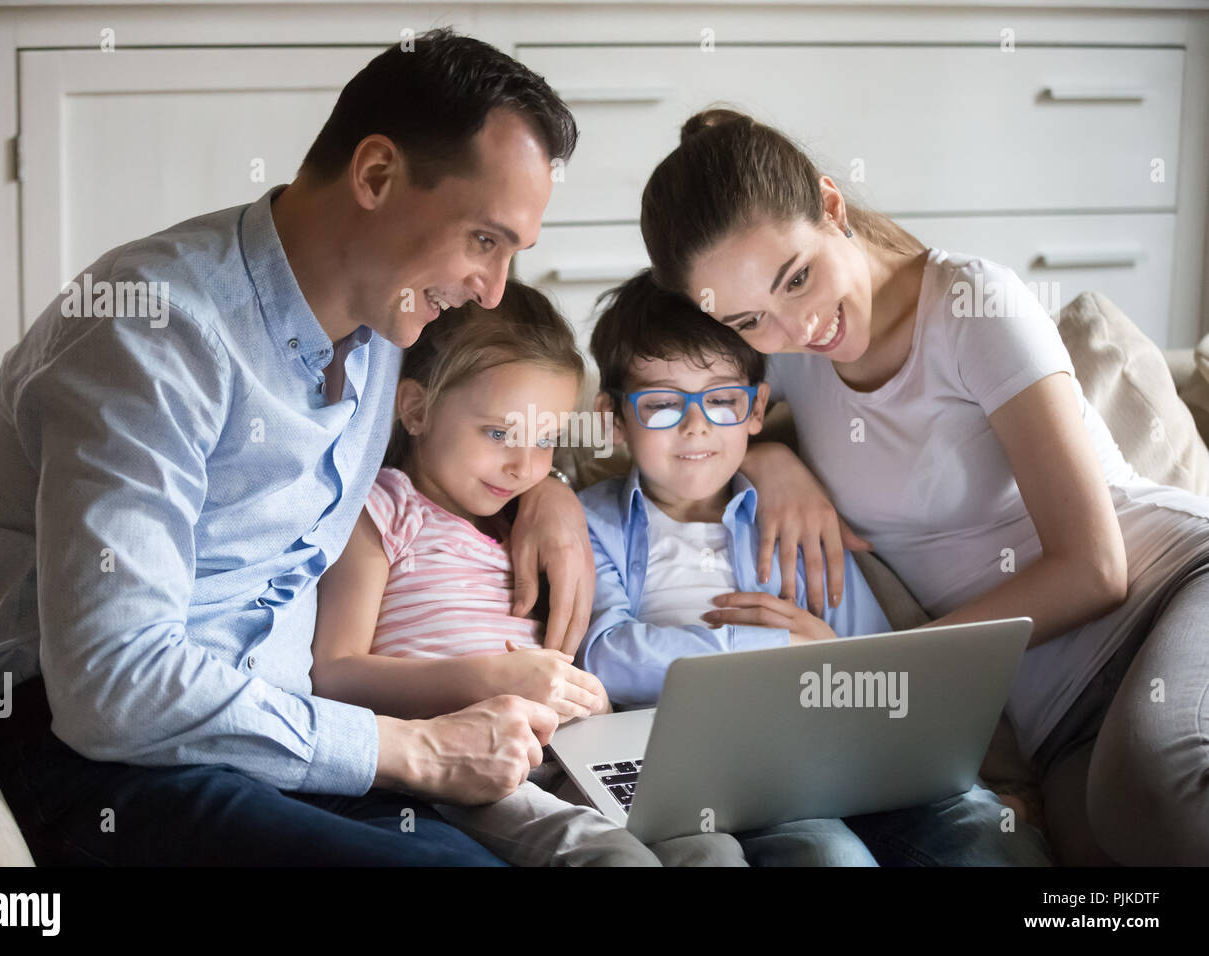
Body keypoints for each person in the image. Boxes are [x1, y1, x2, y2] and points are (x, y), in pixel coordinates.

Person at [0, 28, 600, 866]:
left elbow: (471, 435)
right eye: (484, 239)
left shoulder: (388, 330)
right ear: (375, 175)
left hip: (286, 734)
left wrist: (549, 494)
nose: (492, 289)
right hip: (104, 753)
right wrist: (413, 751)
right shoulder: (150, 330)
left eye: (513, 253)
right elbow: (112, 682)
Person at [637, 107, 1209, 865]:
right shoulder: (786, 353)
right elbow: (671, 413)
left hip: (1168, 591)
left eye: (799, 277)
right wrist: (769, 460)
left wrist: (880, 669)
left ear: (832, 206)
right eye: (750, 319)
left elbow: (1096, 569)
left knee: (1150, 789)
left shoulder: (975, 307)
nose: (798, 327)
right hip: (1058, 718)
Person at [575, 270, 1052, 865]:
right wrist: (774, 645)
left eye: (722, 400)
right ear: (614, 418)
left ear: (755, 409)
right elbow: (605, 657)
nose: (696, 425)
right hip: (721, 773)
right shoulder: (593, 523)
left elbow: (872, 659)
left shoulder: (793, 516)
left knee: (979, 824)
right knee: (828, 853)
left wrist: (832, 661)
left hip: (840, 747)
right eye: (663, 403)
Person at [311, 279, 746, 866]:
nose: (524, 465)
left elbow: (560, 665)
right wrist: (489, 679)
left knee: (709, 845)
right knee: (613, 858)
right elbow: (333, 676)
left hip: (567, 751)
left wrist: (593, 705)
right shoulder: (384, 509)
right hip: (464, 763)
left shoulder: (526, 528)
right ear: (416, 409)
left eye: (546, 441)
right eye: (498, 434)